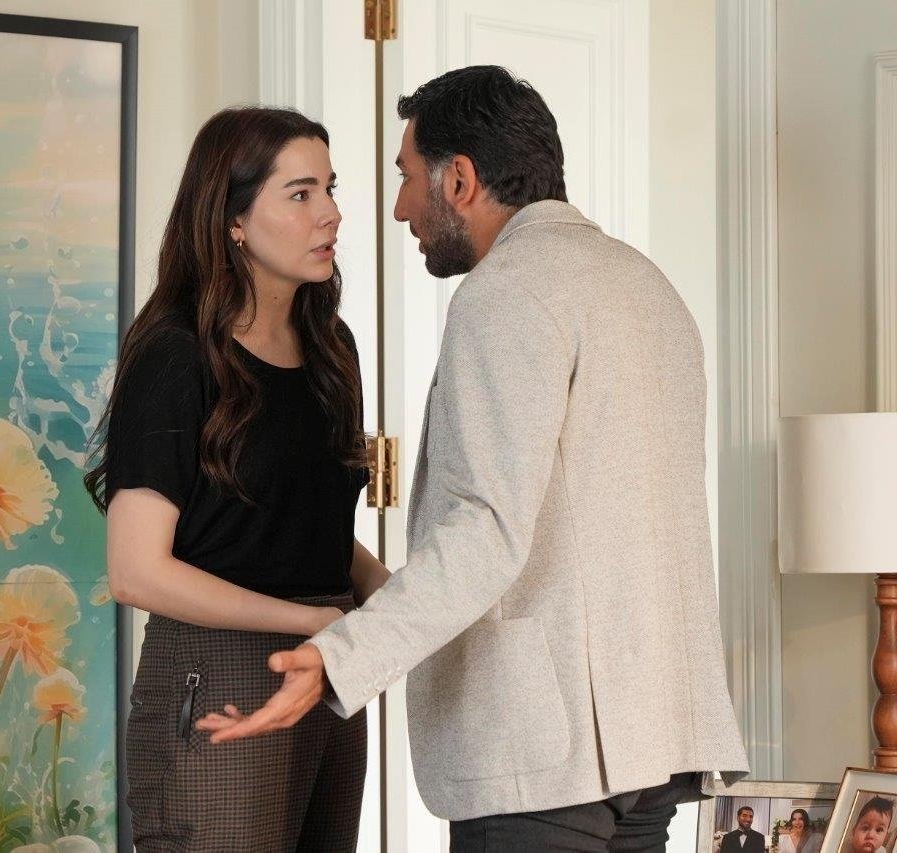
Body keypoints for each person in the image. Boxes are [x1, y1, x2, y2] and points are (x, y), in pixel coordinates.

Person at [198, 65, 750, 851]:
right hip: (653, 742)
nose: (399, 209)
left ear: (458, 179)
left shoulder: (508, 292)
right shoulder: (646, 286)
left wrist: (341, 656)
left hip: (547, 757)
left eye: (406, 178)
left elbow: (487, 531)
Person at [85, 106, 389, 852]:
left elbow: (303, 530)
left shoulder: (332, 349)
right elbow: (135, 570)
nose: (331, 213)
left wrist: (404, 603)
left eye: (330, 189)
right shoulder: (175, 354)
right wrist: (312, 623)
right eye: (301, 194)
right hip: (218, 671)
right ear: (234, 221)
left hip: (330, 669)